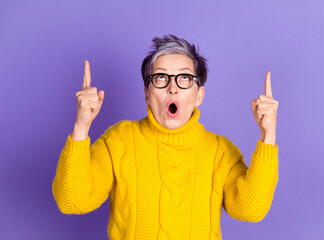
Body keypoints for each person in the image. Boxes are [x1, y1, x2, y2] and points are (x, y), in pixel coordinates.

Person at [52, 34, 279, 240]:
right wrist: (81, 127)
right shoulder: (118, 140)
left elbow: (250, 210)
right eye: (161, 78)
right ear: (147, 94)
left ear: (199, 95)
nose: (173, 88)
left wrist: (268, 135)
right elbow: (72, 201)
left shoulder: (220, 150)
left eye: (184, 78)